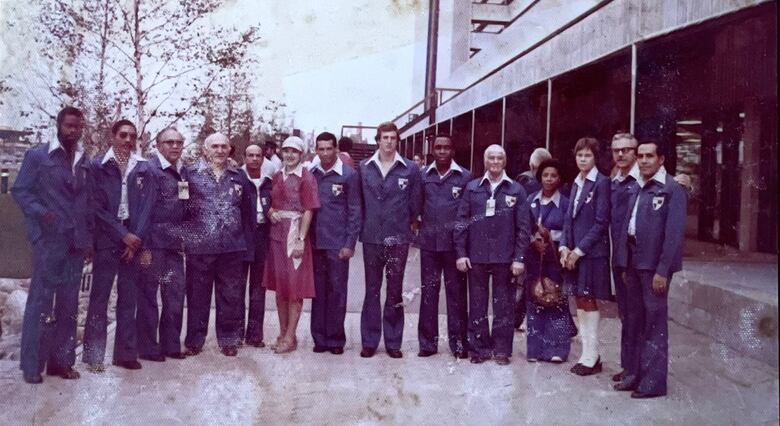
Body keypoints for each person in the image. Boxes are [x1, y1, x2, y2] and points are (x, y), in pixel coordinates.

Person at [12, 106, 93, 383]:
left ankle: (62, 363)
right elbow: (21, 191)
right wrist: (42, 214)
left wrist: (87, 239)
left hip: (74, 244)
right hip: (49, 242)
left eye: (78, 127)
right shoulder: (39, 156)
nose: (74, 131)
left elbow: (86, 201)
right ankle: (32, 367)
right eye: (69, 126)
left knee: (69, 305)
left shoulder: (83, 160)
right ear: (59, 125)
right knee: (41, 302)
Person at [613, 140, 687, 399]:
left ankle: (653, 383)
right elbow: (626, 226)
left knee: (654, 324)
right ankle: (634, 375)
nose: (644, 160)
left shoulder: (672, 189)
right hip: (633, 264)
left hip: (654, 268)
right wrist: (623, 263)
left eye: (649, 156)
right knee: (633, 321)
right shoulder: (637, 187)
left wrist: (663, 271)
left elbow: (673, 235)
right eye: (641, 156)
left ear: (661, 159)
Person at [454, 144, 530, 365]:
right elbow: (461, 222)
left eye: (499, 158)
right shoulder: (472, 188)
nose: (495, 162)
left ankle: (502, 350)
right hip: (476, 257)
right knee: (477, 304)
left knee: (503, 305)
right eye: (491, 158)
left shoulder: (516, 190)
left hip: (504, 259)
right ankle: (479, 349)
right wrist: (460, 253)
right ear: (485, 161)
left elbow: (524, 228)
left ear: (504, 162)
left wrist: (519, 258)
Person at [183, 133, 255, 357]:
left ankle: (229, 340)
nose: (220, 150)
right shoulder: (191, 174)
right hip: (200, 247)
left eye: (224, 146)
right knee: (197, 296)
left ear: (230, 150)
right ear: (206, 150)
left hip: (231, 248)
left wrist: (246, 244)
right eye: (215, 146)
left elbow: (248, 212)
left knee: (230, 296)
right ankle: (195, 340)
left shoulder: (239, 176)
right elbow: (182, 209)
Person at [83, 119, 146, 372]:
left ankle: (125, 354)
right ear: (113, 136)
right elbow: (95, 207)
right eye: (123, 135)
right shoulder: (97, 166)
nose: (128, 141)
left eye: (132, 136)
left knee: (129, 297)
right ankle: (94, 355)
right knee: (100, 297)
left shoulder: (142, 167)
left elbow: (146, 207)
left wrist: (134, 238)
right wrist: (122, 234)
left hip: (133, 238)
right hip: (108, 238)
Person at [357, 121, 422, 359]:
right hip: (372, 237)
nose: (388, 142)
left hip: (397, 239)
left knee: (394, 291)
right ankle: (369, 342)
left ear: (397, 141)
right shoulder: (364, 167)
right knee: (371, 290)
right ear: (378, 140)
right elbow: (360, 204)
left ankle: (393, 342)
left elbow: (415, 204)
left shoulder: (410, 169)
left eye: (393, 138)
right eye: (384, 138)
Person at [131, 127, 189, 361]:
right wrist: (143, 247)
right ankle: (147, 347)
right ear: (158, 145)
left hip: (174, 244)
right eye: (169, 142)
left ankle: (171, 344)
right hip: (152, 243)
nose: (175, 146)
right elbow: (141, 211)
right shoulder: (149, 170)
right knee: (148, 295)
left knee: (175, 295)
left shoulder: (181, 171)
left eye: (178, 142)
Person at [559, 137, 611, 376]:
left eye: (587, 155)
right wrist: (563, 247)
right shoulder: (576, 183)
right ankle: (588, 353)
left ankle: (592, 355)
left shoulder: (601, 183)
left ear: (595, 157)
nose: (583, 159)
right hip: (573, 254)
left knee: (588, 300)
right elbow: (568, 219)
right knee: (579, 300)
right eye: (579, 155)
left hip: (590, 254)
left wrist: (578, 251)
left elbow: (600, 223)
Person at [417, 134, 471, 359]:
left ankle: (458, 343)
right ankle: (427, 344)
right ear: (432, 151)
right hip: (429, 245)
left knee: (456, 295)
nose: (441, 152)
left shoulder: (465, 177)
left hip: (453, 247)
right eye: (437, 148)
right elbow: (417, 205)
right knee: (429, 294)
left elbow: (468, 213)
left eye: (446, 148)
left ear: (453, 151)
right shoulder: (423, 175)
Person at [264, 136, 320, 354]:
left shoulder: (306, 178)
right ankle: (283, 332)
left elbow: (309, 210)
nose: (289, 155)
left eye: (294, 151)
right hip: (276, 236)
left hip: (295, 234)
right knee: (281, 288)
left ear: (302, 154)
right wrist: (270, 212)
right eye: (286, 151)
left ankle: (290, 335)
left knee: (295, 288)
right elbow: (269, 202)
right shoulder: (277, 175)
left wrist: (301, 239)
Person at [309, 132, 361, 355]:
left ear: (336, 149)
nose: (325, 153)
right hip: (315, 244)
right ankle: (319, 338)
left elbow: (355, 211)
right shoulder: (311, 174)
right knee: (318, 293)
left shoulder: (348, 175)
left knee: (337, 292)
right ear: (316, 150)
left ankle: (336, 339)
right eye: (320, 149)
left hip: (338, 244)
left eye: (329, 149)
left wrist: (349, 243)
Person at [524, 159, 576, 363]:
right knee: (534, 299)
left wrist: (553, 240)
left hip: (555, 258)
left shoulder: (565, 202)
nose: (548, 179)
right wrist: (532, 241)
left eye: (553, 175)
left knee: (556, 300)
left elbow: (569, 231)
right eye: (545, 175)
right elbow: (523, 227)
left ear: (559, 179)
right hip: (534, 258)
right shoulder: (530, 200)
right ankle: (535, 349)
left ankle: (558, 349)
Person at [513, 147, 552, 330]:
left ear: (531, 165)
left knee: (526, 282)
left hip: (529, 240)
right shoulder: (556, 183)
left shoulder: (523, 182)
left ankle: (516, 318)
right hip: (548, 241)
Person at [240, 143, 273, 348]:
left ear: (263, 158)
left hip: (263, 237)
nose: (254, 159)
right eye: (250, 155)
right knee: (237, 289)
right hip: (242, 238)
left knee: (258, 290)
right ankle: (235, 334)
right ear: (245, 157)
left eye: (258, 155)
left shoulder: (269, 182)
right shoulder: (237, 178)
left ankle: (255, 335)